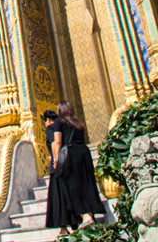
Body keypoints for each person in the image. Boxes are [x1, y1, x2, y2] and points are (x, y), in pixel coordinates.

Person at [44, 101, 104, 236]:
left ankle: (85, 215)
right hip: (83, 153)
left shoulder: (59, 122)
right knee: (86, 184)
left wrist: (56, 159)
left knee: (72, 187)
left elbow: (57, 141)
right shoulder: (77, 122)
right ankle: (90, 214)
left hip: (70, 156)